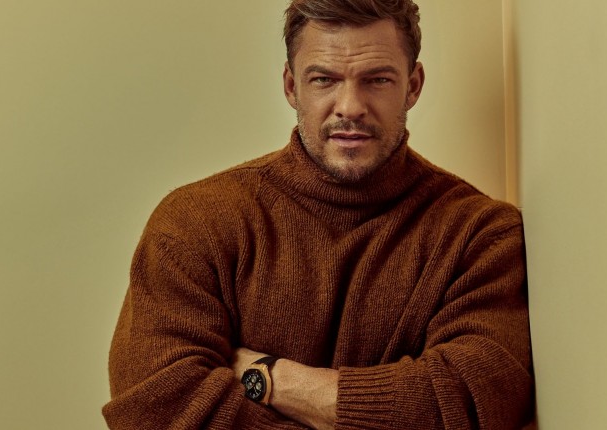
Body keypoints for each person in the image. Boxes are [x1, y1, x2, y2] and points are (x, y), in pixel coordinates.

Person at [102, 0, 535, 428]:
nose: (350, 106)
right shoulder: (196, 223)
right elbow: (154, 410)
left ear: (413, 86)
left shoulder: (480, 235)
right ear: (292, 86)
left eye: (377, 80)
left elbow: (473, 402)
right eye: (324, 79)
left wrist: (274, 379)